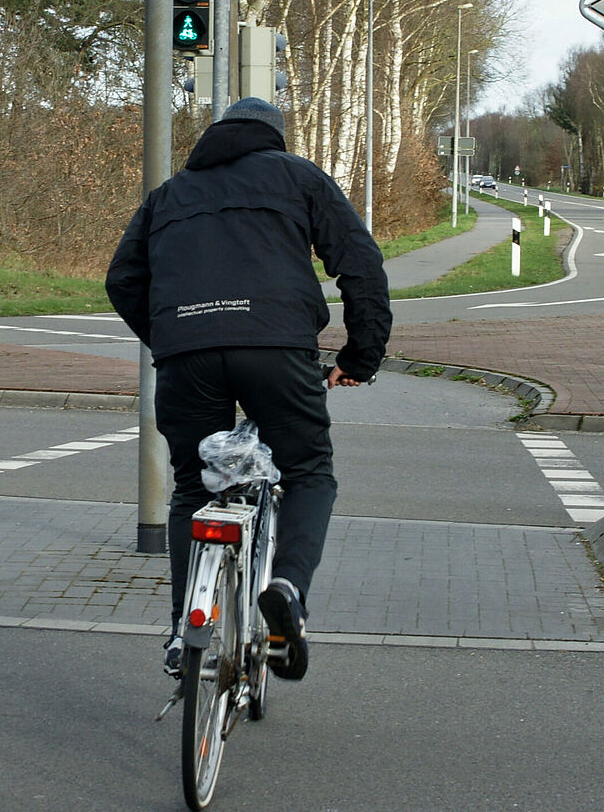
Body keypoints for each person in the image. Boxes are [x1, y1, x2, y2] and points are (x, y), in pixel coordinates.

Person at [105, 95, 392, 680]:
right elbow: (360, 265)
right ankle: (286, 590)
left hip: (186, 355)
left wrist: (170, 340)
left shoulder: (169, 193)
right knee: (309, 469)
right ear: (275, 137)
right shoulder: (298, 177)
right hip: (276, 347)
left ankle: (186, 625)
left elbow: (122, 279)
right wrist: (360, 355)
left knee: (192, 486)